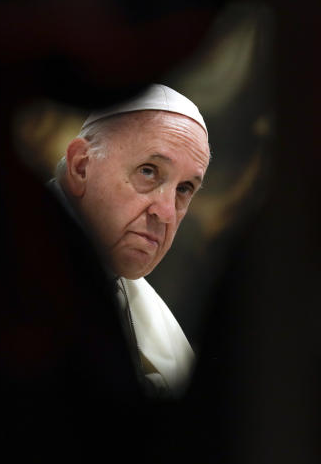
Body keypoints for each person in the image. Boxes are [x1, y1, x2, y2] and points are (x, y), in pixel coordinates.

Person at [52, 83, 211, 398]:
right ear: (81, 166)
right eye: (149, 171)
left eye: (184, 189)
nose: (166, 213)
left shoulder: (158, 328)